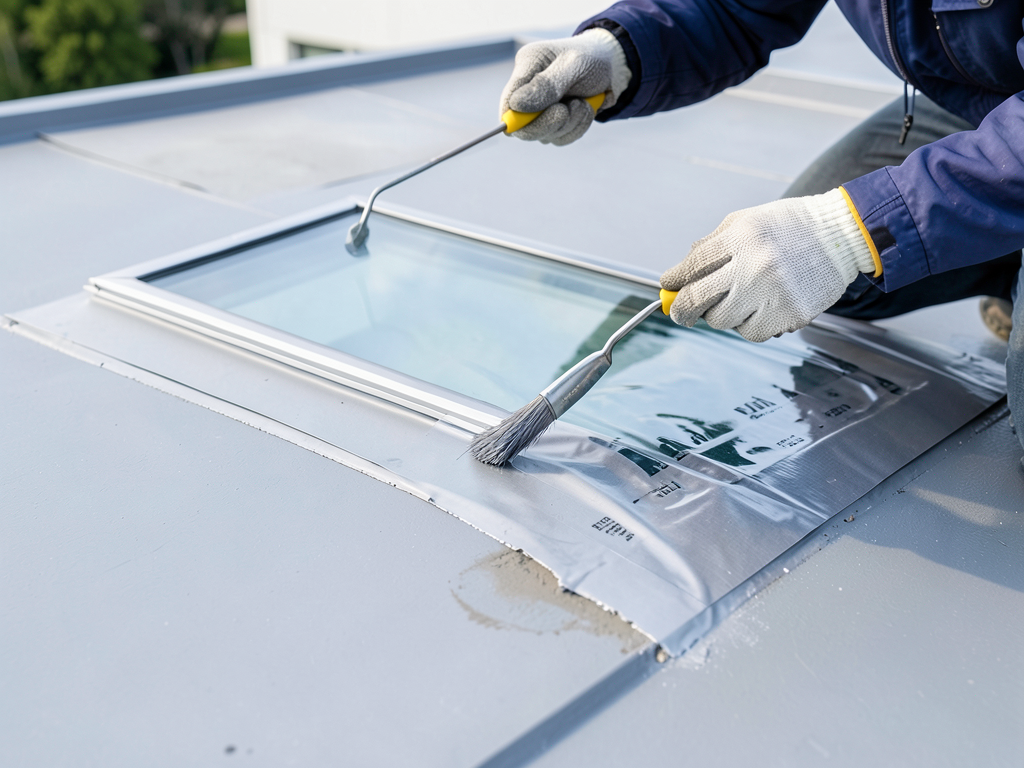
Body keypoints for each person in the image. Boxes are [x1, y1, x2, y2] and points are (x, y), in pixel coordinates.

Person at [499, 0, 1024, 453]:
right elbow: (731, 8)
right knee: (815, 278)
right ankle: (1004, 250)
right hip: (986, 102)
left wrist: (845, 231)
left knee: (847, 248)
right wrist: (618, 53)